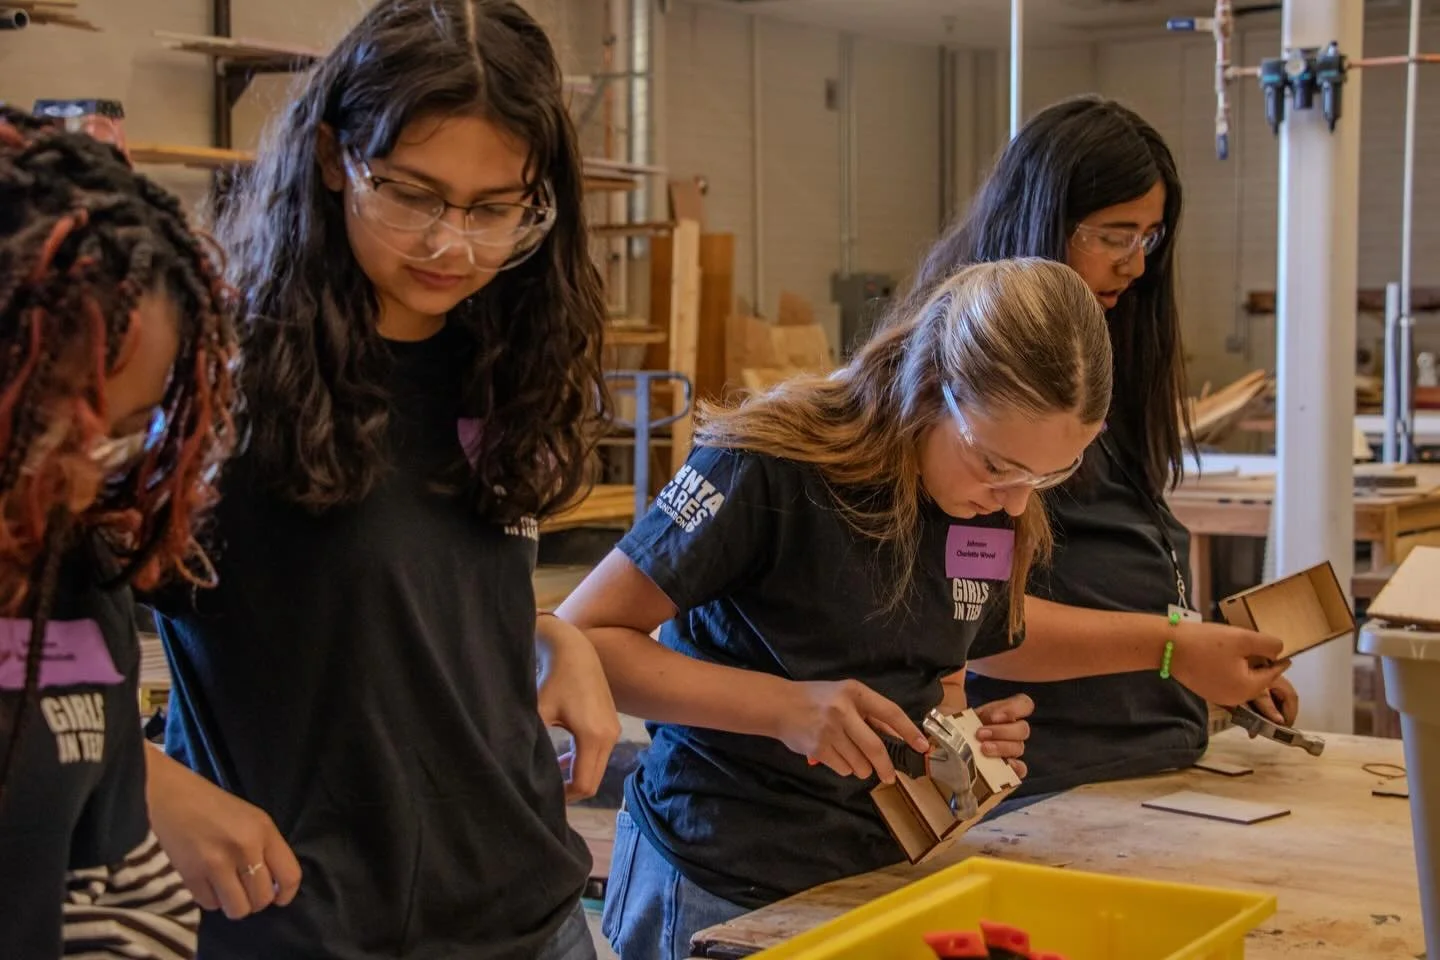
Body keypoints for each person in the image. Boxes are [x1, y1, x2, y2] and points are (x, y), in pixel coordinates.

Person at [142, 2, 619, 957]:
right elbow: (34, 640)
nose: (455, 245)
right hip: (313, 924)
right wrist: (143, 780)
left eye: (496, 208)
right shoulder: (207, 372)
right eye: (412, 194)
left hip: (531, 911)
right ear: (332, 159)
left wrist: (543, 633)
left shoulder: (505, 356)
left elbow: (380, 597)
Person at [558, 258, 1114, 960]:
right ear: (931, 388)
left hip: (875, 876)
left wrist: (958, 745)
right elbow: (580, 639)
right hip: (724, 872)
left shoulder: (993, 508)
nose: (1015, 502)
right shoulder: (770, 461)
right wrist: (787, 710)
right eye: (997, 465)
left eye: (1048, 474)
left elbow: (940, 671)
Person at [936, 96, 1295, 800]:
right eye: (1114, 235)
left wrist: (1210, 663)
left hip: (1144, 757)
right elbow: (971, 616)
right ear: (1042, 220)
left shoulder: (1107, 353)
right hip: (1045, 771)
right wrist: (1173, 651)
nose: (1134, 265)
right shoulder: (976, 393)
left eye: (1150, 238)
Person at [0, 106, 237, 959]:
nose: (85, 472)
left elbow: (103, 876)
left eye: (123, 430)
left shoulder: (74, 570)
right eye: (51, 427)